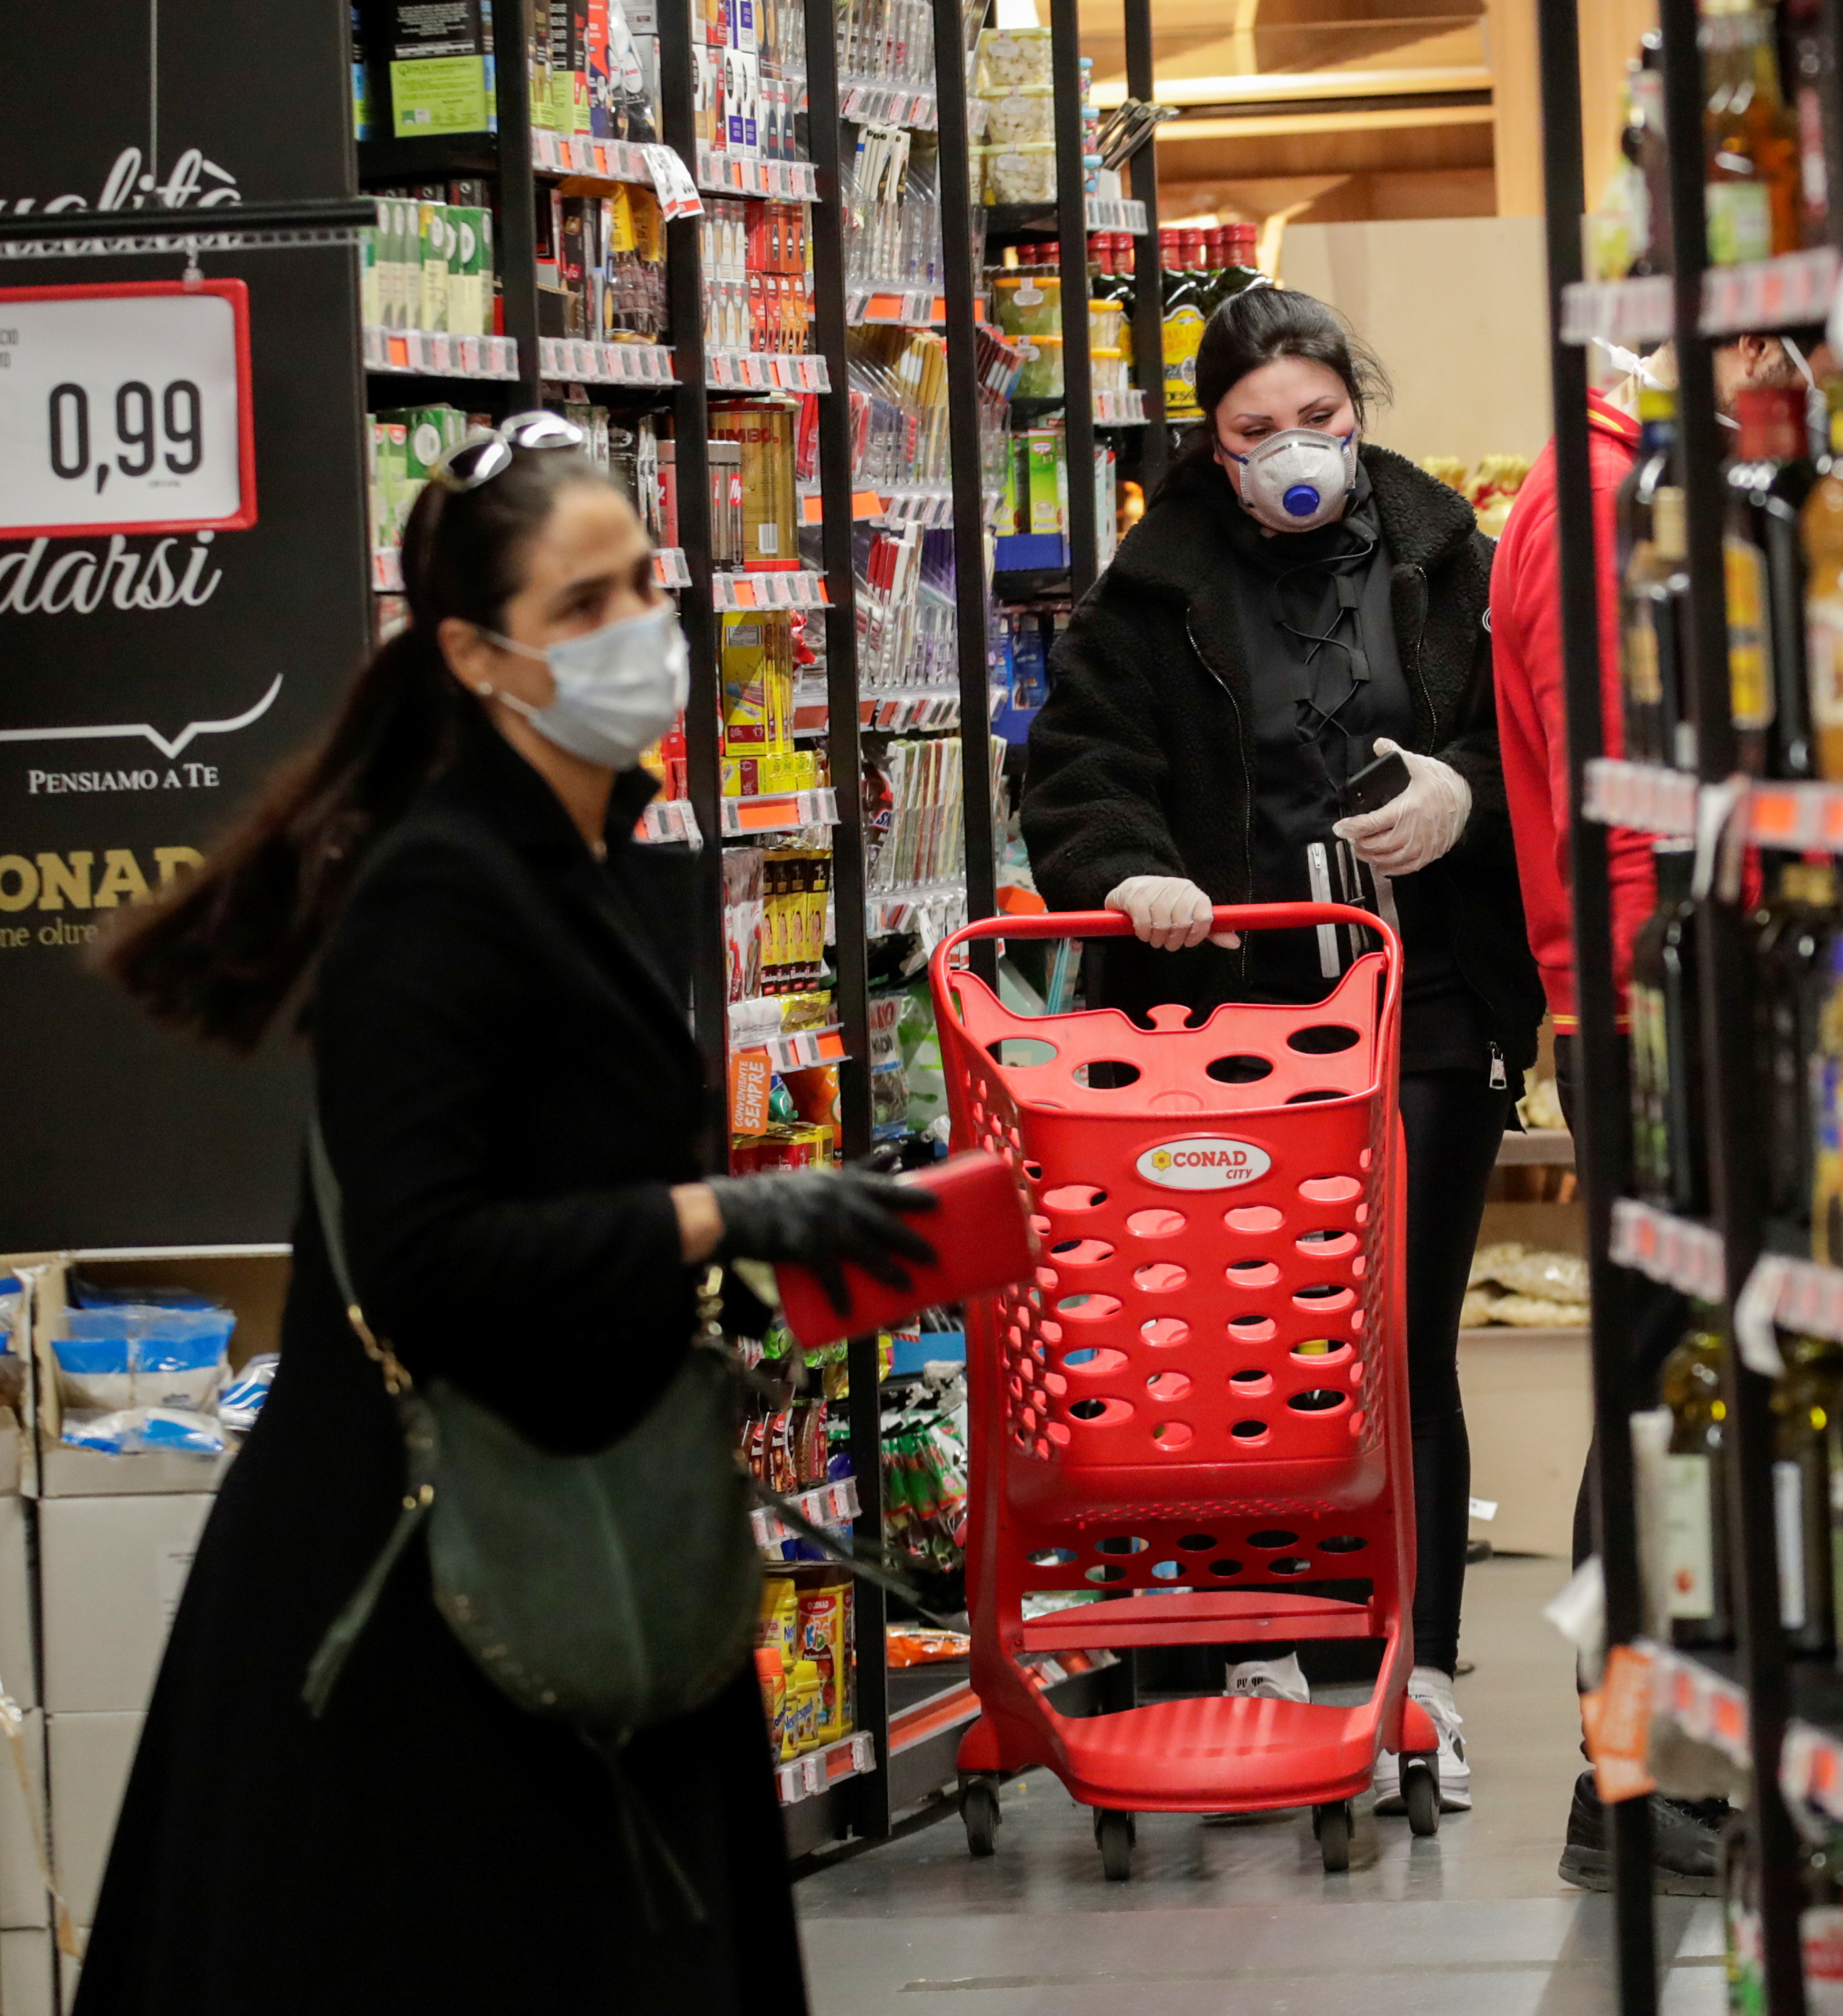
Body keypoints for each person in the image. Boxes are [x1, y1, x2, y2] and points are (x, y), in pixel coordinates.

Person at [82, 415, 939, 2013]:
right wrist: (718, 1219)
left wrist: (763, 1275)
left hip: (586, 1558)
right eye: (584, 606)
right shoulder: (441, 888)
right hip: (436, 1609)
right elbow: (422, 1262)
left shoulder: (585, 855)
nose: (641, 634)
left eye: (644, 585)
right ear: (479, 656)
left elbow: (570, 1191)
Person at [1022, 285, 1544, 1815]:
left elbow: (1532, 732)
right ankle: (1259, 1647)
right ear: (1211, 443)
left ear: (1359, 415)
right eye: (1257, 434)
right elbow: (1078, 771)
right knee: (1243, 1341)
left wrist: (1462, 798)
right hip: (1223, 1028)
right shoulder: (1155, 586)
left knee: (1399, 1341)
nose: (1293, 454)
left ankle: (1419, 1675)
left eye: (1319, 422)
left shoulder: (1450, 558)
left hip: (1425, 997)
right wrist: (1129, 876)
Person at [1487, 331, 1799, 1892]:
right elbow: (1629, 813)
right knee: (1668, 1402)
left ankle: (1661, 1765)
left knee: (1677, 1396)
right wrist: (1678, 1009)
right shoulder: (1606, 502)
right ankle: (1636, 1779)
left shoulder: (1622, 483)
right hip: (1651, 1021)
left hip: (1655, 1011)